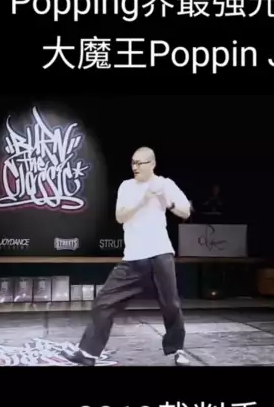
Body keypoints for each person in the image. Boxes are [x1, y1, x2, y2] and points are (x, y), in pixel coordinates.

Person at [62, 147, 192, 367]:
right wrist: (143, 199)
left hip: (160, 253)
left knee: (170, 305)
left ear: (152, 164)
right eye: (133, 162)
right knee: (103, 302)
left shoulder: (165, 184)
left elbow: (185, 211)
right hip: (133, 258)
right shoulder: (127, 186)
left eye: (140, 163)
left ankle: (177, 350)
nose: (135, 167)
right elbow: (120, 217)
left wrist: (166, 200)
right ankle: (89, 354)